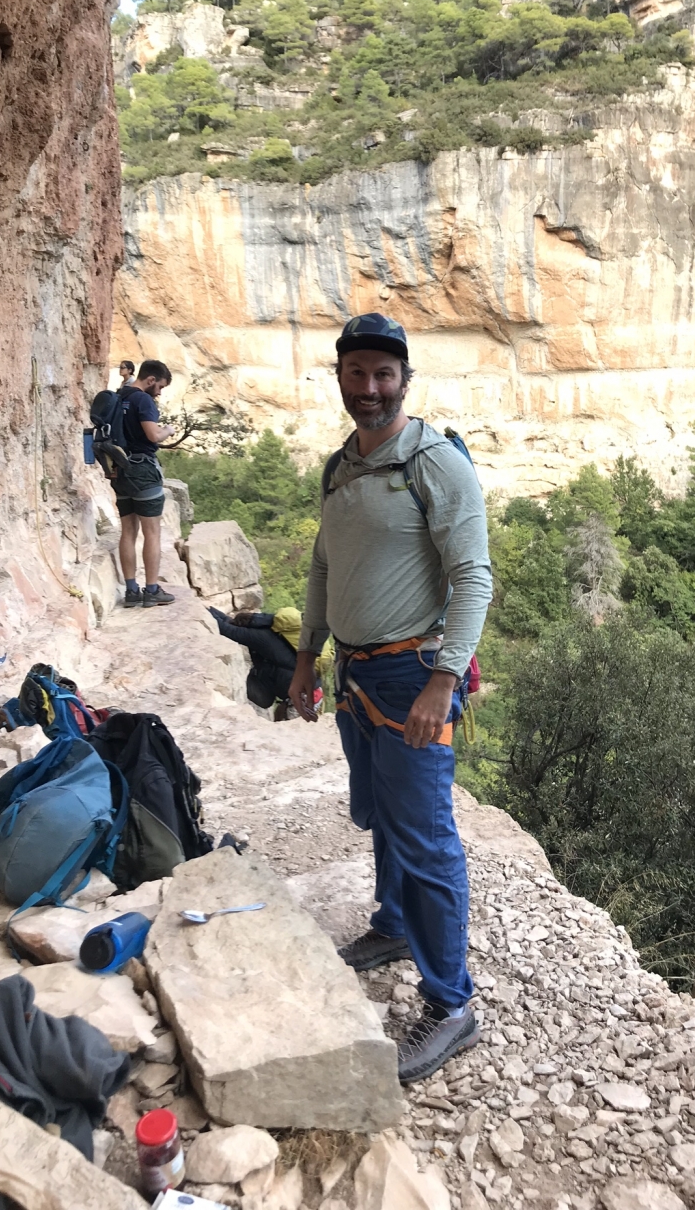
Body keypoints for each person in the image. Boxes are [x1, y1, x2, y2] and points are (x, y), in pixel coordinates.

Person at [288, 312, 492, 1084]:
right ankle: (395, 924)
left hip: (413, 675)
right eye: (356, 373)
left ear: (405, 380)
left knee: (427, 834)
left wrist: (444, 680)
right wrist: (307, 655)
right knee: (382, 814)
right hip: (356, 673)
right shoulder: (340, 465)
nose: (369, 388)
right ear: (339, 376)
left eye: (383, 374)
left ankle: (452, 1004)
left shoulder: (434, 463)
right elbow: (320, 566)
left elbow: (473, 577)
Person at [113, 359, 177, 609]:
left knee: (128, 531)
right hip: (142, 470)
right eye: (159, 386)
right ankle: (151, 590)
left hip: (119, 470)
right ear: (150, 380)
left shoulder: (119, 396)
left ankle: (131, 591)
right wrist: (167, 430)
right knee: (152, 532)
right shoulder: (143, 400)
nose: (159, 392)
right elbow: (153, 435)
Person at [209, 605, 316, 718]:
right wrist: (210, 609)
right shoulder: (273, 626)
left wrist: (204, 611)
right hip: (311, 687)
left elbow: (227, 629)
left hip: (300, 698)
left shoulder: (259, 637)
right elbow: (229, 622)